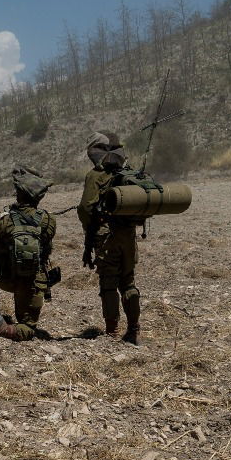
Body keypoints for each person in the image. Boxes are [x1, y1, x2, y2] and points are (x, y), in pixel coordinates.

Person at [0, 166, 56, 341]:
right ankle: (5, 329)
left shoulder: (5, 222)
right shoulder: (49, 221)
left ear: (19, 195)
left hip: (6, 278)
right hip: (33, 283)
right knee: (27, 328)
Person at [78, 135, 142, 344]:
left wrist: (90, 231)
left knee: (108, 285)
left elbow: (86, 208)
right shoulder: (126, 172)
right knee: (128, 282)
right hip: (129, 236)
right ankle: (133, 329)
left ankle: (112, 331)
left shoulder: (95, 175)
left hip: (107, 237)